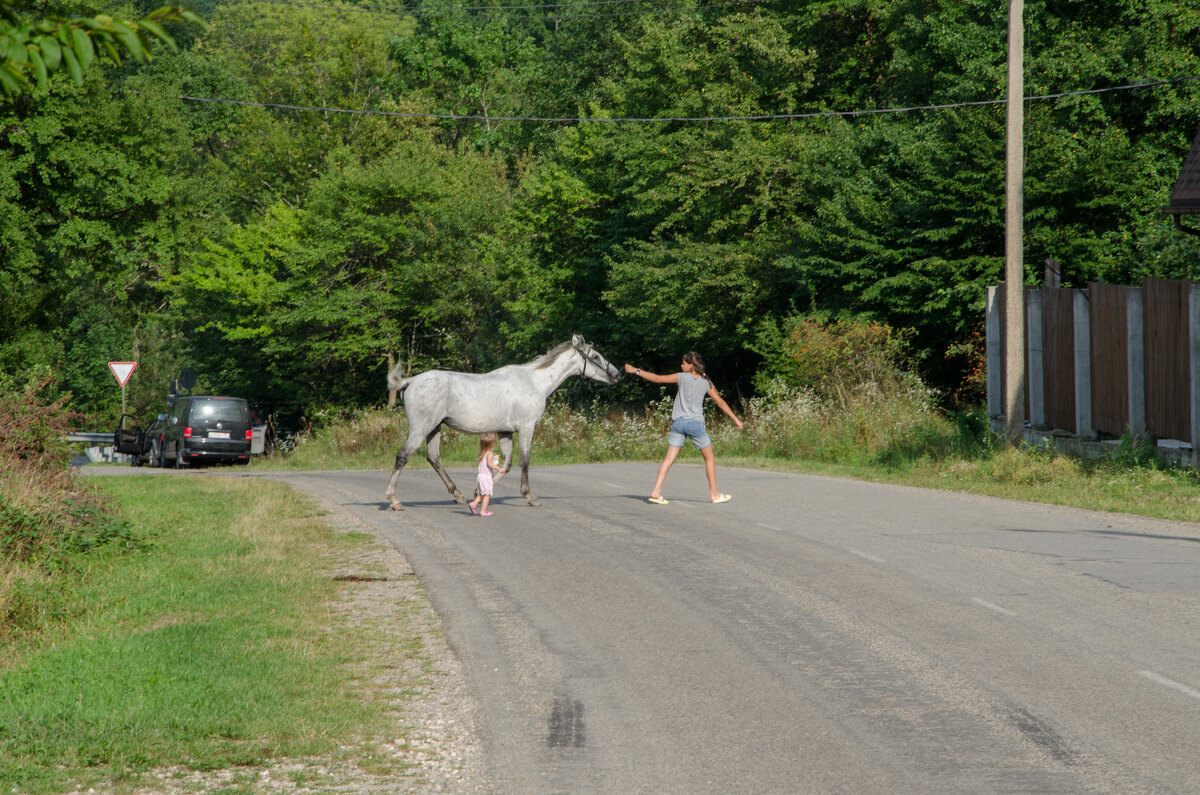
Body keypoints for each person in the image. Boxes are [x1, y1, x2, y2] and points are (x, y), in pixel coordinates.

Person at [624, 351, 744, 505]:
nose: (681, 365)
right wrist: (736, 419)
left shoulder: (681, 377)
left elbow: (656, 378)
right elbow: (720, 402)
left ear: (691, 366)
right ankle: (714, 494)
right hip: (695, 425)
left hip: (678, 424)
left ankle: (656, 491)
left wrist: (636, 370)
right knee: (709, 458)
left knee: (668, 459)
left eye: (684, 363)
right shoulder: (706, 381)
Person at [468, 432, 505, 516]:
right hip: (486, 477)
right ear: (492, 444)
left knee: (482, 493)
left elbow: (488, 463)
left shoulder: (482, 454)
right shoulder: (490, 454)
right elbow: (489, 464)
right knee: (487, 495)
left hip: (480, 476)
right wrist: (498, 468)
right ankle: (483, 511)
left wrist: (496, 462)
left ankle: (473, 504)